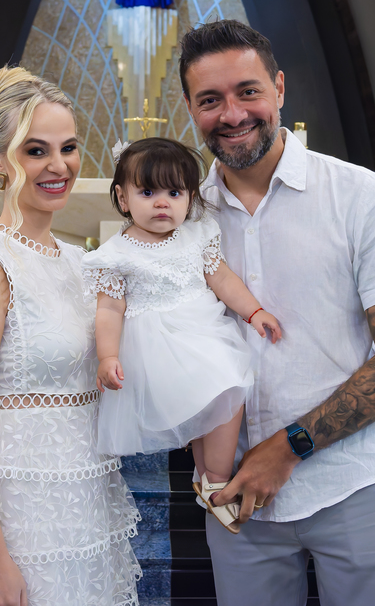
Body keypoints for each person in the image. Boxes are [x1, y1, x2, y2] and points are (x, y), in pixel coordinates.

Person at [179, 20, 375, 606]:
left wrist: (287, 447)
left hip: (350, 485)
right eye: (210, 100)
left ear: (279, 88)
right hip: (235, 496)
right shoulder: (184, 218)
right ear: (190, 108)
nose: (232, 114)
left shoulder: (360, 196)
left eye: (248, 91)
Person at [0, 66, 140, 606]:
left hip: (86, 505)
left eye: (68, 148)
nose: (59, 166)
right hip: (22, 521)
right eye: (36, 151)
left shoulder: (80, 262)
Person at [81, 137, 282, 533]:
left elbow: (222, 278)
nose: (162, 203)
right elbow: (109, 310)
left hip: (204, 335)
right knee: (221, 392)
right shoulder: (115, 255)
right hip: (158, 350)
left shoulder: (197, 235)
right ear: (123, 198)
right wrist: (108, 356)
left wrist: (254, 311)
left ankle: (209, 477)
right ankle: (217, 481)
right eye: (148, 192)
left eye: (174, 193)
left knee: (225, 393)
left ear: (190, 197)